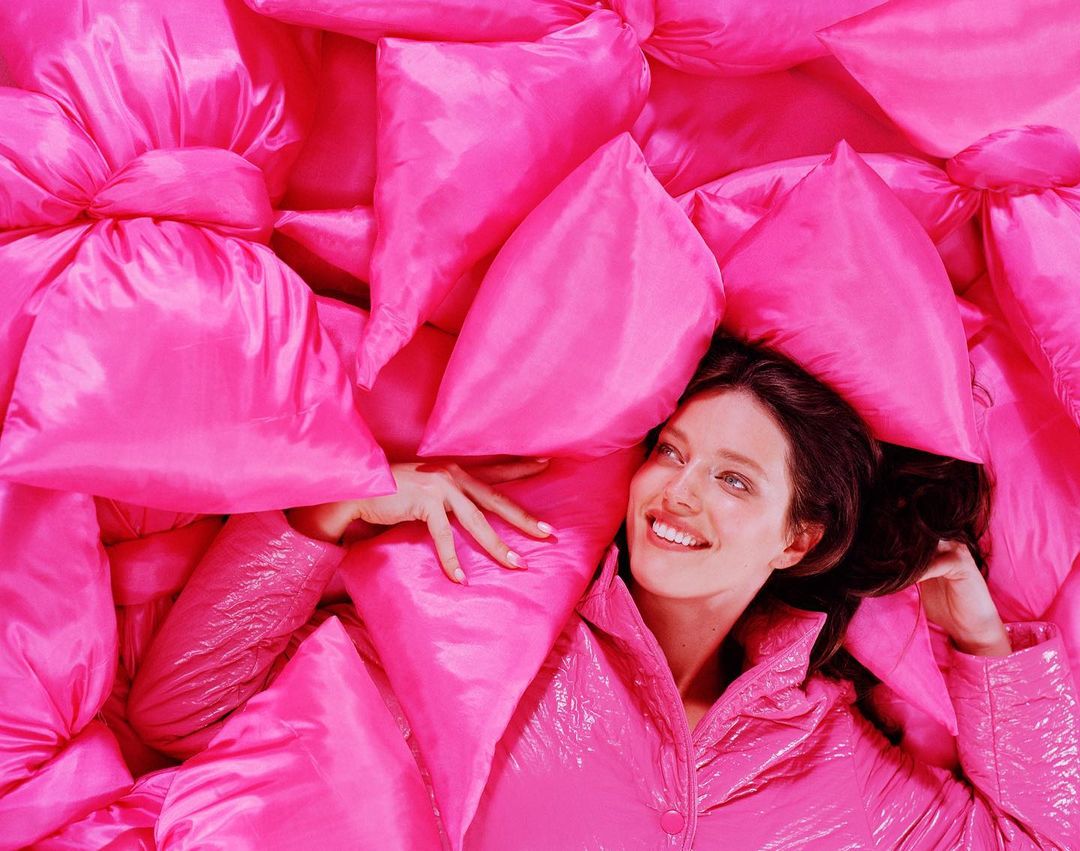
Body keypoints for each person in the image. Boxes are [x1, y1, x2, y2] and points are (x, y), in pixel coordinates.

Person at [128, 335, 1079, 848]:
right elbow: (185, 708)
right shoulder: (496, 647)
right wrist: (337, 510)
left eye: (733, 478)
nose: (679, 492)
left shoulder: (833, 764)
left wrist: (988, 651)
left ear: (800, 538)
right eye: (672, 452)